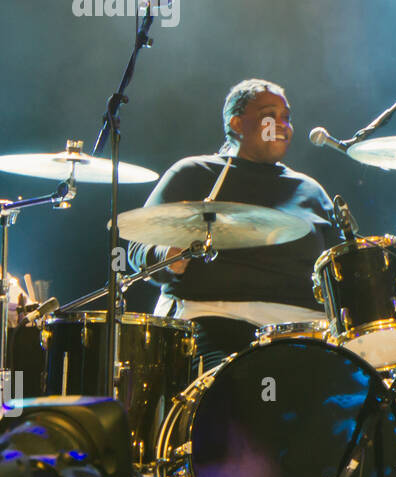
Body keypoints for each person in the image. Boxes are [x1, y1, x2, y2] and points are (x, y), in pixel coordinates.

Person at [128, 79, 344, 371]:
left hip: (308, 334)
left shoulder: (310, 190)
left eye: (287, 117)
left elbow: (341, 269)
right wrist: (167, 256)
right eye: (270, 115)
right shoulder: (195, 173)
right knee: (237, 393)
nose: (282, 124)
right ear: (237, 123)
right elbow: (139, 245)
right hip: (216, 321)